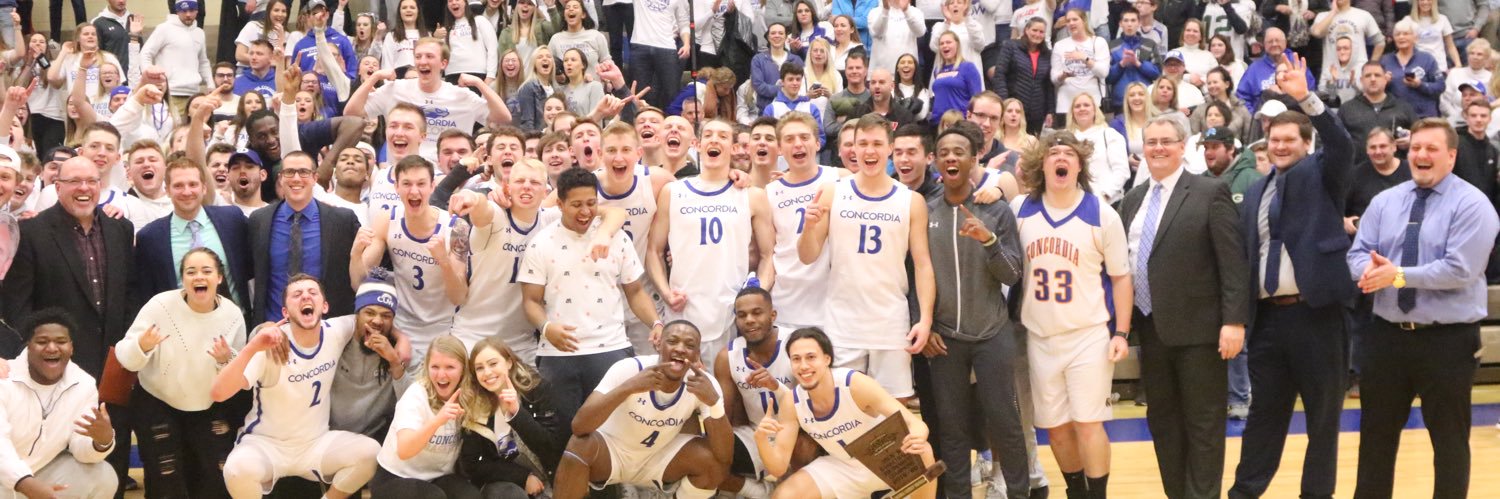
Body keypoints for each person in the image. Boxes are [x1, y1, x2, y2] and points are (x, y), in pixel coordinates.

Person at [1345, 117, 1498, 499]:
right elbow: (1358, 252)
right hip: (1385, 337)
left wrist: (1396, 277)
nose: (1421, 155)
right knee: (1375, 439)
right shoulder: (1386, 201)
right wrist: (1368, 271)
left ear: (1451, 155)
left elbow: (1460, 269)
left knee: (1448, 443)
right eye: (1415, 147)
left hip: (1447, 340)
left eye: (1431, 148)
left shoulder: (1473, 205)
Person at [1229, 55, 1356, 499]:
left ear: (1306, 144)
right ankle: (1244, 493)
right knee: (1263, 417)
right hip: (1268, 321)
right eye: (1274, 139)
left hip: (1317, 316)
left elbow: (1342, 146)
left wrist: (1306, 98)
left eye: (1289, 139)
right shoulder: (1257, 192)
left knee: (1323, 422)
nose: (1280, 146)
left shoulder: (1321, 173)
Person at [1119, 117, 1249, 498]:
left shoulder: (1210, 191)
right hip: (1151, 330)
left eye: (1166, 141)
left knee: (1203, 425)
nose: (1158, 148)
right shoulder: (1132, 199)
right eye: (1151, 142)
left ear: (1182, 147)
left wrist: (1235, 322)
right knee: (1163, 423)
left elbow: (1233, 262)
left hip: (1200, 332)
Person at [1, 153, 135, 486]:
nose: (84, 188)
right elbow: (18, 307)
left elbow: (129, 295)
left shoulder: (120, 228)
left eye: (91, 181)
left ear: (102, 186)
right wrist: (32, 359)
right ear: (56, 186)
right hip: (53, 365)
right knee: (51, 452)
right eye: (74, 181)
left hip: (113, 363)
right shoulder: (31, 231)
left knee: (108, 450)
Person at [1011, 129, 1132, 499]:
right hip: (1039, 336)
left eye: (1068, 153)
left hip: (1088, 336)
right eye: (1053, 153)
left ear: (1079, 165)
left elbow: (1121, 278)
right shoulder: (1020, 209)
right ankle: (1076, 491)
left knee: (1088, 423)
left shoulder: (1102, 214)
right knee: (1056, 429)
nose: (1060, 158)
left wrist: (1121, 333)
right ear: (1041, 164)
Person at [920, 121, 1029, 499]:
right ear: (935, 160)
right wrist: (926, 323)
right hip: (945, 337)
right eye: (945, 152)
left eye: (960, 152)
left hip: (993, 333)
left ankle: (1019, 492)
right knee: (951, 430)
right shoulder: (925, 209)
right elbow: (915, 274)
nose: (952, 157)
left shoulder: (995, 210)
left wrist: (989, 241)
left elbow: (1013, 274)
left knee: (1005, 423)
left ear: (975, 158)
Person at [797, 113, 934, 400]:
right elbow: (808, 256)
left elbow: (922, 265)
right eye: (862, 144)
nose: (869, 151)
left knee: (895, 409)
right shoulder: (832, 193)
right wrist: (808, 227)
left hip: (890, 321)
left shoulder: (911, 201)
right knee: (842, 407)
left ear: (890, 149)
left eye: (876, 144)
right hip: (842, 321)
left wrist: (925, 319)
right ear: (853, 148)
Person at [211, 276, 382, 499]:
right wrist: (253, 346)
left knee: (370, 453)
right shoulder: (270, 345)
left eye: (312, 292)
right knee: (236, 470)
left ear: (325, 305)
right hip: (266, 445)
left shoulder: (336, 330)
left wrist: (401, 339)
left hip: (315, 443)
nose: (305, 296)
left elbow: (372, 319)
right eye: (297, 294)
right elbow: (218, 393)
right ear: (285, 312)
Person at [519, 167, 665, 427]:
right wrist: (546, 327)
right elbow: (530, 301)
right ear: (560, 204)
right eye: (576, 205)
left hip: (611, 349)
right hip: (558, 355)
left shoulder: (616, 238)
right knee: (564, 432)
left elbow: (635, 291)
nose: (585, 211)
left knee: (613, 429)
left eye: (591, 203)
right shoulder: (541, 243)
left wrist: (656, 323)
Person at [115, 247, 246, 497]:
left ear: (219, 278)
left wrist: (225, 360)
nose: (199, 277)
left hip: (209, 404)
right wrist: (142, 346)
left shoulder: (232, 315)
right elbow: (125, 357)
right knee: (167, 478)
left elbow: (239, 373)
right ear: (182, 279)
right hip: (158, 400)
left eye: (206, 271)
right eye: (191, 272)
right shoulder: (160, 305)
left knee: (214, 475)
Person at [646, 118, 777, 368]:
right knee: (682, 391)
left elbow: (769, 255)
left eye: (723, 136)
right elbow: (653, 250)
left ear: (735, 147)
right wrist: (665, 292)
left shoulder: (752, 196)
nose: (714, 140)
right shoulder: (673, 192)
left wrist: (756, 294)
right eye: (708, 135)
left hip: (731, 313)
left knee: (727, 397)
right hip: (683, 308)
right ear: (697, 144)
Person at [550, 321, 729, 499]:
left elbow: (725, 457)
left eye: (689, 345)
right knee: (579, 445)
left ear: (697, 354)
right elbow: (579, 426)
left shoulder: (704, 384)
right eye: (673, 341)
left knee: (712, 463)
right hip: (613, 454)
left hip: (658, 459)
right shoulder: (629, 368)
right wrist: (628, 388)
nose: (681, 349)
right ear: (659, 345)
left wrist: (714, 403)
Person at [753, 327, 937, 499]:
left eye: (811, 357)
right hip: (844, 466)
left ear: (827, 359)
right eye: (796, 359)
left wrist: (916, 437)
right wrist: (761, 440)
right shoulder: (792, 402)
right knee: (785, 495)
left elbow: (916, 424)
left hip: (886, 459)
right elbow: (777, 468)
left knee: (922, 451)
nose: (803, 366)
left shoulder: (855, 384)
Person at [350, 155, 469, 361]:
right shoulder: (388, 219)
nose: (414, 191)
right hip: (402, 324)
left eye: (421, 184)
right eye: (407, 184)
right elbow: (360, 283)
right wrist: (355, 254)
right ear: (396, 187)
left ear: (432, 186)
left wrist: (444, 262)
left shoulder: (455, 227)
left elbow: (459, 296)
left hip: (445, 326)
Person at [0, 308, 118, 499]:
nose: (52, 348)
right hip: (10, 479)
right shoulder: (4, 379)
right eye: (42, 342)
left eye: (61, 342)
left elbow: (80, 448)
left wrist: (101, 442)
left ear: (71, 348)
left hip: (38, 474)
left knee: (103, 476)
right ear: (28, 346)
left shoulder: (84, 384)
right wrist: (26, 485)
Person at [346, 38, 513, 160]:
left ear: (443, 63)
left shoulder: (461, 96)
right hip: (403, 171)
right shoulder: (394, 89)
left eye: (429, 56)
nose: (422, 61)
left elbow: (503, 118)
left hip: (449, 173)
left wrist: (479, 83)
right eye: (418, 57)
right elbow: (351, 112)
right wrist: (374, 77)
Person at [248, 151, 361, 323]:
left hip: (327, 329)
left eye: (303, 172)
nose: (296, 178)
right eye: (289, 172)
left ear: (315, 178)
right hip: (274, 326)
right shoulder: (259, 220)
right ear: (281, 178)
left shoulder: (342, 221)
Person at [590, 122, 673, 353]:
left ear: (638, 154)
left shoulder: (655, 180)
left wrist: (734, 174)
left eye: (626, 150)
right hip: (600, 300)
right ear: (599, 154)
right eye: (611, 150)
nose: (619, 158)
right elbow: (543, 209)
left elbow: (695, 196)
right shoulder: (586, 186)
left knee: (649, 370)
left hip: (643, 294)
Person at [133, 157, 253, 314]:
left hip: (235, 323)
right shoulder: (150, 237)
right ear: (167, 190)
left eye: (193, 184)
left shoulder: (232, 220)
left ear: (204, 188)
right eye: (178, 186)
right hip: (181, 329)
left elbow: (251, 267)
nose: (187, 191)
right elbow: (146, 294)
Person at [711, 287, 798, 499]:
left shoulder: (795, 344)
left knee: (805, 448)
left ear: (773, 315)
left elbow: (814, 400)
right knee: (706, 456)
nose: (749, 320)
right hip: (755, 432)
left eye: (757, 312)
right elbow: (727, 416)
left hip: (798, 431)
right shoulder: (727, 357)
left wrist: (775, 385)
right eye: (742, 315)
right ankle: (758, 493)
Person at [369, 335, 479, 497]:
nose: (441, 375)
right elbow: (404, 450)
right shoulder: (416, 395)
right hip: (395, 477)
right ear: (427, 367)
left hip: (437, 477)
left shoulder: (468, 396)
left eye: (450, 367)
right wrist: (437, 421)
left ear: (463, 369)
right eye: (435, 367)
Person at [764, 112, 844, 330]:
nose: (797, 144)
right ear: (780, 149)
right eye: (789, 139)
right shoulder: (769, 192)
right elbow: (767, 252)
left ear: (818, 143)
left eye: (804, 137)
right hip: (786, 304)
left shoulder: (840, 179)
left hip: (830, 305)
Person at [458, 336, 564, 498]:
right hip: (507, 483)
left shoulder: (537, 391)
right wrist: (522, 477)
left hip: (551, 477)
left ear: (509, 362)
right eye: (479, 368)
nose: (487, 372)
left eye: (493, 364)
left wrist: (517, 413)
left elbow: (552, 448)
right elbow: (472, 465)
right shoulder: (474, 406)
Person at [330, 278, 411, 442]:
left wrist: (394, 362)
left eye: (386, 315)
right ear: (357, 315)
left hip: (371, 441)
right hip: (325, 436)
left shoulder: (399, 352)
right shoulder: (336, 339)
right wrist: (264, 327)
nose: (377, 321)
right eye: (369, 312)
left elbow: (411, 404)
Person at [141, 1, 214, 116]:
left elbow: (203, 62)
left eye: (191, 10)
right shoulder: (164, 29)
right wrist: (149, 76)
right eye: (184, 11)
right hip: (171, 92)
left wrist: (210, 83)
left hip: (194, 93)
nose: (188, 14)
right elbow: (146, 53)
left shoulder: (199, 33)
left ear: (197, 11)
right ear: (177, 11)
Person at [1339, 62, 1418, 155]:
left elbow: (1422, 136)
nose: (1373, 79)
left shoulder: (1403, 107)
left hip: (1396, 168)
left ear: (1385, 79)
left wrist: (1412, 141)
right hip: (1357, 168)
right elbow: (1335, 140)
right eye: (1368, 76)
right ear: (1361, 80)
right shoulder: (1347, 109)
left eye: (1377, 75)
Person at [992, 18, 1053, 134]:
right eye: (1034, 30)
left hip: (1037, 113)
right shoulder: (1011, 46)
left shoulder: (1047, 54)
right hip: (1013, 110)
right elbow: (1000, 75)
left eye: (1041, 32)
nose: (1037, 34)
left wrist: (1050, 110)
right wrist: (1005, 102)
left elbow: (1048, 85)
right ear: (1026, 30)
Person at [1235, 28, 1314, 114]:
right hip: (1263, 119)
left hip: (1295, 117)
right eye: (1270, 41)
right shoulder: (1254, 68)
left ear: (1285, 42)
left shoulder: (1298, 65)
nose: (1274, 44)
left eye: (1277, 40)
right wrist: (1253, 115)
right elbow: (1242, 97)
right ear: (1264, 45)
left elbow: (1310, 93)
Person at [1380, 19, 1443, 118]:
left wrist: (1420, 85)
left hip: (1424, 116)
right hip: (1396, 116)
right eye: (1397, 34)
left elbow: (1440, 86)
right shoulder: (1385, 60)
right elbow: (1376, 91)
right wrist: (1383, 83)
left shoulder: (1427, 59)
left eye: (1406, 34)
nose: (1401, 37)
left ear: (1416, 38)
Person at [1107, 7, 1161, 111]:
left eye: (1133, 20)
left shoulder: (1150, 44)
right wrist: (1121, 64)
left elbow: (1157, 73)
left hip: (1146, 98)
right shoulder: (1111, 46)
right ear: (1120, 24)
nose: (1129, 24)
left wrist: (1138, 63)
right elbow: (1107, 77)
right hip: (1121, 100)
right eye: (1126, 20)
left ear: (1139, 23)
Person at [928, 31, 984, 127]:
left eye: (948, 42)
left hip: (960, 122)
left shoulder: (968, 67)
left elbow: (976, 98)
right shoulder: (937, 70)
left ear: (957, 44)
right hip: (939, 123)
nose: (945, 46)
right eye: (941, 43)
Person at [1310, 0, 1386, 70]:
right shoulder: (1322, 16)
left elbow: (1380, 42)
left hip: (1359, 76)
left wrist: (1371, 65)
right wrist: (1333, 12)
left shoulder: (1363, 15)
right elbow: (1317, 32)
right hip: (1330, 77)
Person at [867, 0, 925, 72]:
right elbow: (877, 33)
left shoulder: (916, 12)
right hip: (881, 74)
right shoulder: (874, 12)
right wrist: (885, 10)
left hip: (907, 73)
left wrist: (906, 11)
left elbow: (920, 32)